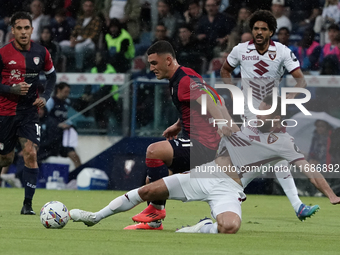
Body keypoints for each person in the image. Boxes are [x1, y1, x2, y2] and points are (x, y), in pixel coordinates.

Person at [69, 95, 340, 233]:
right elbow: (210, 115)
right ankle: (95, 218)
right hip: (205, 174)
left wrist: (330, 194)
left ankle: (202, 227)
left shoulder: (284, 142)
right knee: (149, 192)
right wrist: (179, 125)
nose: (260, 114)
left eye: (266, 111)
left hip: (229, 190)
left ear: (278, 114)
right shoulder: (247, 126)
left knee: (230, 227)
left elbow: (307, 169)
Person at [220, 10, 318, 220]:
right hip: (251, 117)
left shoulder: (282, 52)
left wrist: (282, 101)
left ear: (271, 32)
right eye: (256, 28)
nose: (259, 32)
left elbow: (301, 81)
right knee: (271, 158)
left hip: (270, 115)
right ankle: (229, 197)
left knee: (273, 158)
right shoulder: (240, 50)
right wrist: (233, 92)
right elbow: (224, 71)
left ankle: (230, 195)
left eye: (264, 29)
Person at [123, 40, 224, 230]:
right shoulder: (183, 76)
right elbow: (204, 98)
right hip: (195, 142)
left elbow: (210, 100)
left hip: (203, 146)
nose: (151, 68)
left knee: (153, 151)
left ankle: (156, 211)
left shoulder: (184, 80)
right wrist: (178, 125)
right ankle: (154, 223)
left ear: (168, 60)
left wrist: (221, 122)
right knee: (151, 181)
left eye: (154, 63)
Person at [0, 11, 56, 214]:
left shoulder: (41, 52)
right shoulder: (3, 53)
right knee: (5, 159)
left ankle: (27, 206)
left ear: (32, 29)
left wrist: (46, 97)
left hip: (29, 113)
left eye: (27, 28)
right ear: (13, 30)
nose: (23, 32)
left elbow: (51, 77)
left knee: (30, 154)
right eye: (19, 28)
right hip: (4, 112)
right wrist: (10, 89)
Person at [38, 82, 81, 168]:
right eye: (65, 92)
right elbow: (44, 116)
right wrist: (57, 125)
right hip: (51, 136)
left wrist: (70, 125)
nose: (67, 94)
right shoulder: (51, 101)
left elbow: (66, 117)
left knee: (74, 156)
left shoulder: (66, 103)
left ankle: (78, 176)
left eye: (68, 92)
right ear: (59, 90)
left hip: (63, 137)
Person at [60, 0, 102, 72]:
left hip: (89, 44)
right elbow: (74, 32)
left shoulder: (96, 19)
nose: (88, 8)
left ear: (93, 8)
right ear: (83, 7)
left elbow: (93, 36)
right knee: (61, 45)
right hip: (77, 42)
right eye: (86, 6)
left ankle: (79, 68)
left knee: (79, 48)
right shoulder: (80, 19)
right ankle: (60, 68)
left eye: (90, 6)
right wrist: (72, 40)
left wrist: (77, 42)